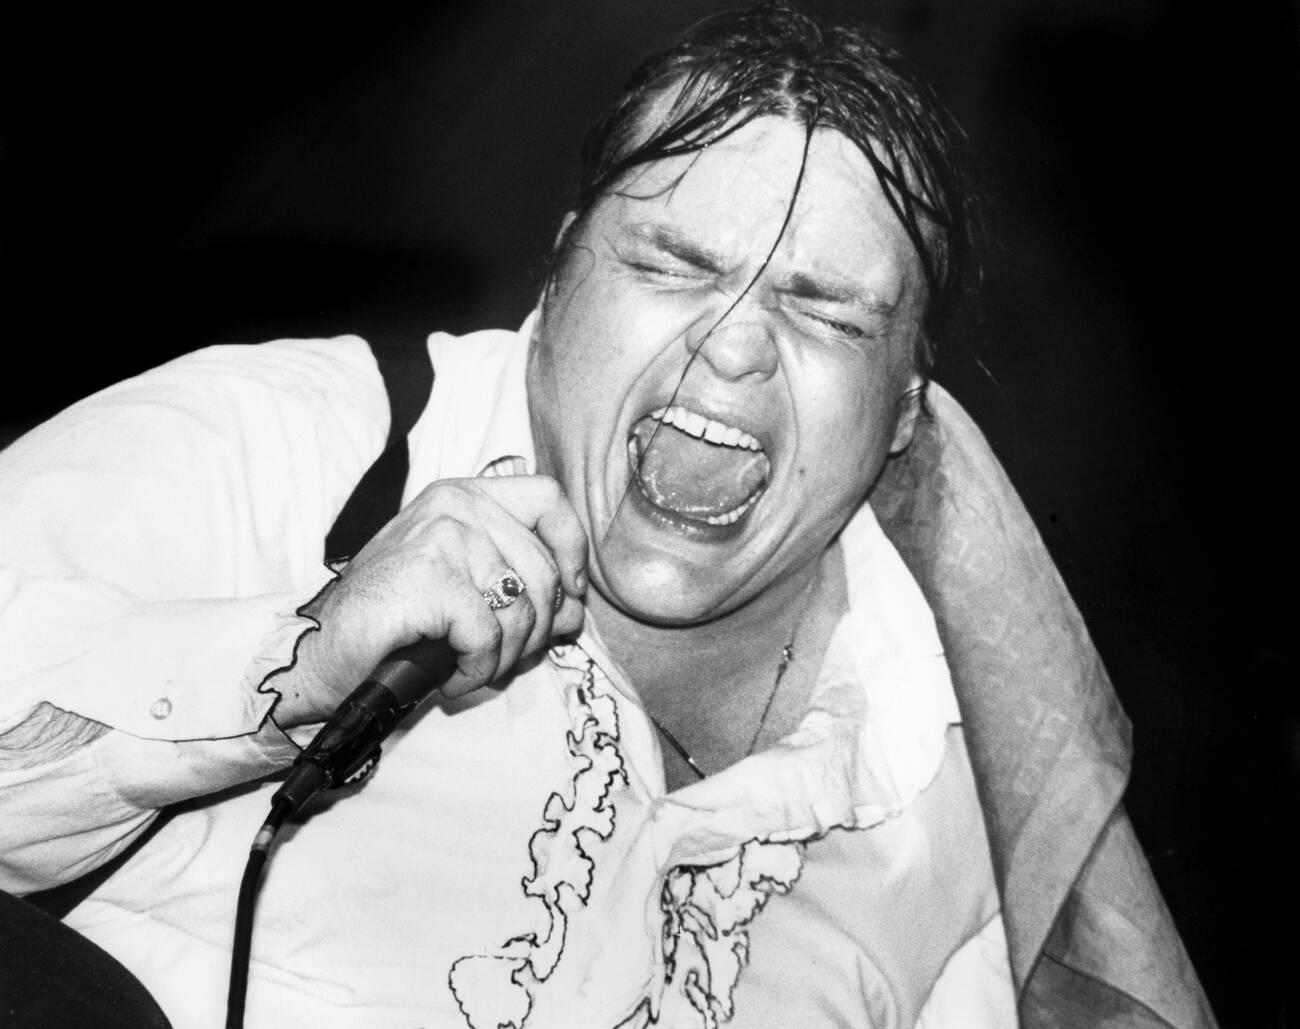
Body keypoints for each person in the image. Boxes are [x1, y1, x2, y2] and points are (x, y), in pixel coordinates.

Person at [0, 4, 1215, 1028]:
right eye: (673, 263)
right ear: (562, 267)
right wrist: (292, 662)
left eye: (828, 312)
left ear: (904, 410)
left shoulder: (946, 795)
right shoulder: (290, 448)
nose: (734, 344)